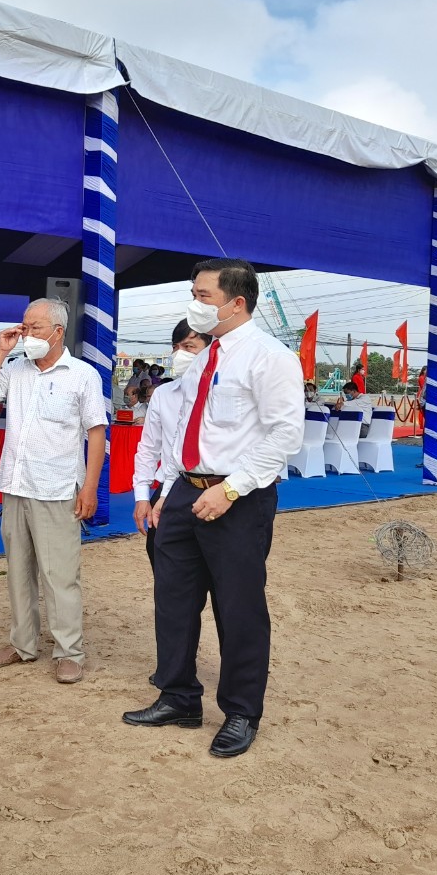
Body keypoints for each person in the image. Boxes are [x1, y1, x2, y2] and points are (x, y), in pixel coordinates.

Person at [123, 258, 303, 759]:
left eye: (202, 296)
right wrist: (163, 493)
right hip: (184, 492)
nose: (194, 304)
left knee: (238, 605)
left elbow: (284, 433)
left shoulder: (270, 357)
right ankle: (178, 695)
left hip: (237, 498)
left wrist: (231, 489)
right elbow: (184, 428)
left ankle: (242, 711)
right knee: (173, 600)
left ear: (236, 302)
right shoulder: (205, 358)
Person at [0, 298, 107, 685]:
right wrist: (1, 352)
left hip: (57, 487)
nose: (26, 334)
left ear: (58, 332)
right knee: (18, 571)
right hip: (15, 486)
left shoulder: (82, 375)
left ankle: (70, 652)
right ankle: (23, 644)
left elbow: (96, 433)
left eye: (35, 328)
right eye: (24, 326)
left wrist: (91, 488)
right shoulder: (15, 369)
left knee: (59, 575)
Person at [132, 320, 213, 568]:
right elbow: (148, 447)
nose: (181, 354)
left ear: (211, 348)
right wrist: (142, 496)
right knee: (167, 572)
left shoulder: (225, 393)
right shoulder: (163, 395)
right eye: (176, 347)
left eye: (190, 346)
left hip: (215, 490)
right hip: (171, 490)